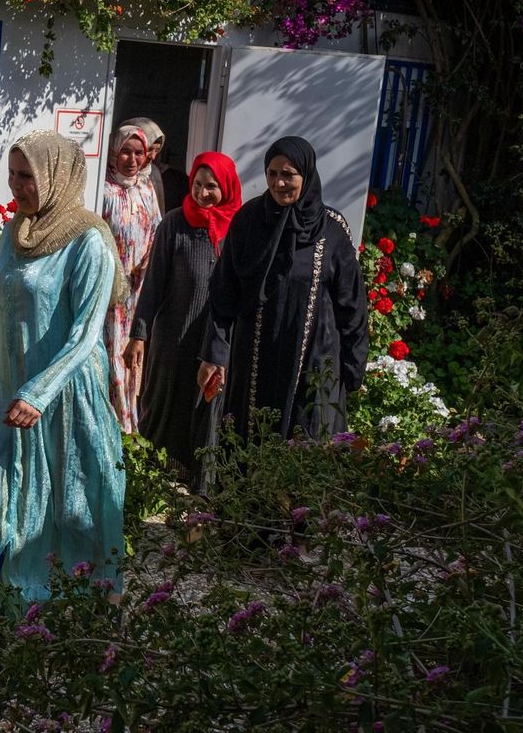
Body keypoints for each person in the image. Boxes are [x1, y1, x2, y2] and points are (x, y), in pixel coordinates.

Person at [0, 131, 127, 658]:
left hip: (66, 401)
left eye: (27, 176)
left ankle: (94, 639)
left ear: (57, 176)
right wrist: (9, 388)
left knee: (76, 513)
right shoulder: (15, 233)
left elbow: (86, 335)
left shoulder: (90, 240)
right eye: (13, 174)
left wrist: (40, 392)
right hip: (9, 394)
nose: (17, 187)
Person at [198, 136, 369, 441]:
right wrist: (215, 354)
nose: (278, 184)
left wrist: (352, 369)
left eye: (288, 175)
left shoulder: (332, 229)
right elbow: (224, 293)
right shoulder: (249, 221)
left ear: (306, 174)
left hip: (314, 364)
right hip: (255, 362)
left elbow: (352, 305)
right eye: (272, 174)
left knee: (306, 450)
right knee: (250, 443)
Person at [124, 151, 242, 481]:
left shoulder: (238, 231)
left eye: (212, 187)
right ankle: (152, 483)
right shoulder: (174, 224)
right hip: (172, 339)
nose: (203, 194)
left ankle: (199, 486)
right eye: (198, 185)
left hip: (214, 342)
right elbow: (153, 287)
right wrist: (139, 335)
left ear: (228, 188)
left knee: (206, 410)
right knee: (162, 406)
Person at [100, 124, 162, 434]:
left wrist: (149, 266)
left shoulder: (146, 189)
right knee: (112, 353)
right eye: (125, 151)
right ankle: (117, 423)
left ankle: (133, 421)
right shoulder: (104, 190)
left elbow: (156, 233)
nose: (132, 159)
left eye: (138, 152)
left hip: (140, 290)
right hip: (112, 290)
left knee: (134, 355)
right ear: (113, 152)